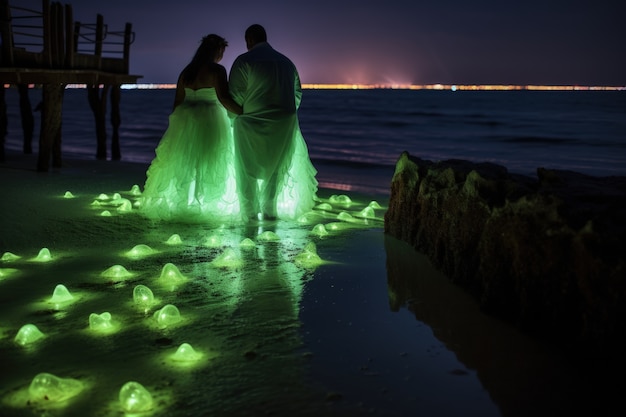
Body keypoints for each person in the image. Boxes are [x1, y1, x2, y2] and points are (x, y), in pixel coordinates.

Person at [140, 34, 243, 222]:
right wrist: (244, 112)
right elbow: (224, 98)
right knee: (211, 158)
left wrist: (176, 128)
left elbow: (178, 102)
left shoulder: (187, 71)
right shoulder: (217, 70)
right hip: (210, 119)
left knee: (187, 161)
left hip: (186, 119)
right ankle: (204, 202)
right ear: (218, 50)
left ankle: (187, 201)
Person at [229, 24, 318, 222]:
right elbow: (297, 94)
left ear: (249, 40)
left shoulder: (244, 61)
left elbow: (235, 95)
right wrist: (285, 112)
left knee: (247, 168)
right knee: (276, 167)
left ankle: (250, 214)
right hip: (283, 123)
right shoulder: (287, 62)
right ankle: (270, 211)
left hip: (251, 121)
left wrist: (234, 115)